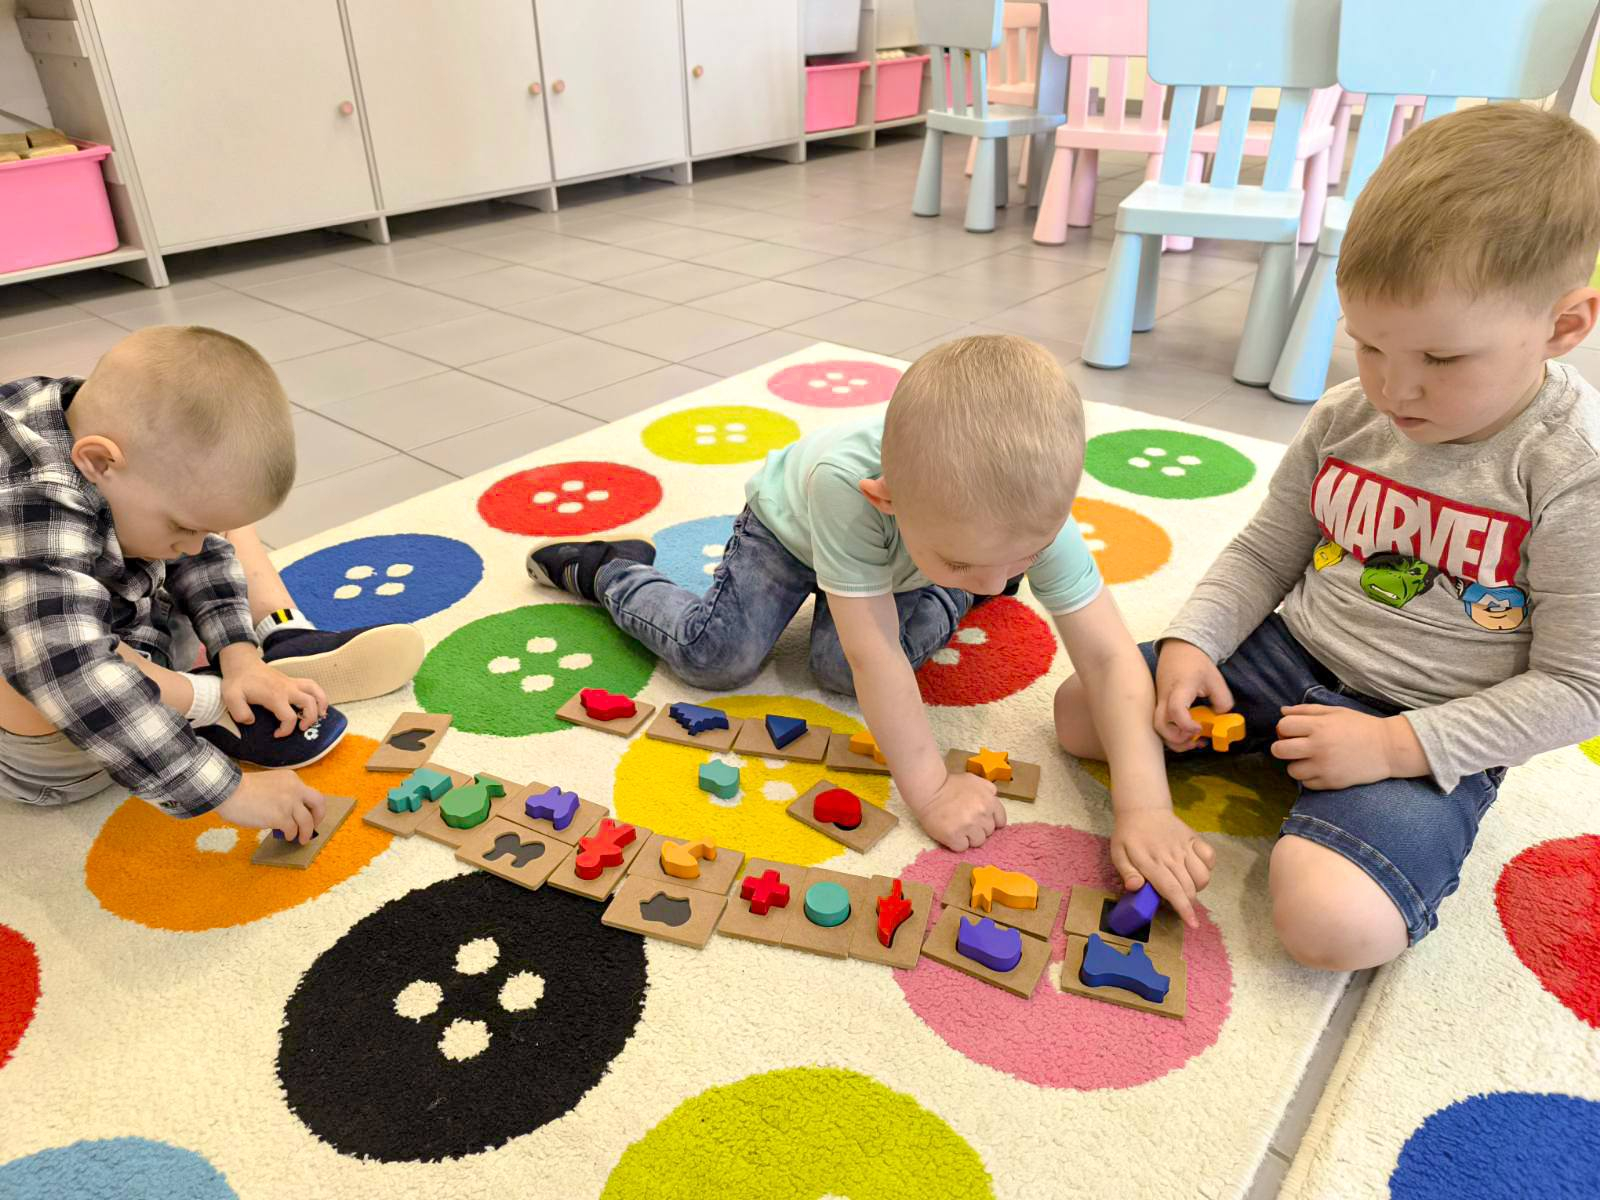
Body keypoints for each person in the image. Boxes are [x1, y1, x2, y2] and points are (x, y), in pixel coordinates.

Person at [1056, 103, 1600, 968]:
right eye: (1369, 345)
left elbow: (1579, 688)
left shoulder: (1571, 468)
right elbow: (1266, 550)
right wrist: (1198, 642)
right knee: (1087, 710)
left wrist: (1392, 746)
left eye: (1442, 359)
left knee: (1332, 926)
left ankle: (1349, 806)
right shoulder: (1350, 415)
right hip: (1290, 655)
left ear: (1564, 327)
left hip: (1428, 717)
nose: (1393, 389)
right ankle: (1285, 757)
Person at [530, 334, 1213, 917]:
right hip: (791, 532)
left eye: (1022, 562)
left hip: (905, 557)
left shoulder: (1030, 516)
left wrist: (1145, 808)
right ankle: (611, 571)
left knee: (835, 670)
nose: (995, 582)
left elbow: (1111, 659)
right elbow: (875, 653)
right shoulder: (846, 485)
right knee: (717, 657)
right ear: (887, 500)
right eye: (965, 565)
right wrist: (932, 790)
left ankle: (942, 581)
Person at [0, 325, 424, 842]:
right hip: (47, 744)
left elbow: (202, 543)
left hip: (135, 630)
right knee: (45, 645)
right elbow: (68, 670)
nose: (196, 544)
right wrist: (228, 790)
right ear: (98, 462)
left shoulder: (101, 429)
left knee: (214, 503)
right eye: (184, 528)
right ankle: (209, 703)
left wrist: (240, 656)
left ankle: (275, 638)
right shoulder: (35, 499)